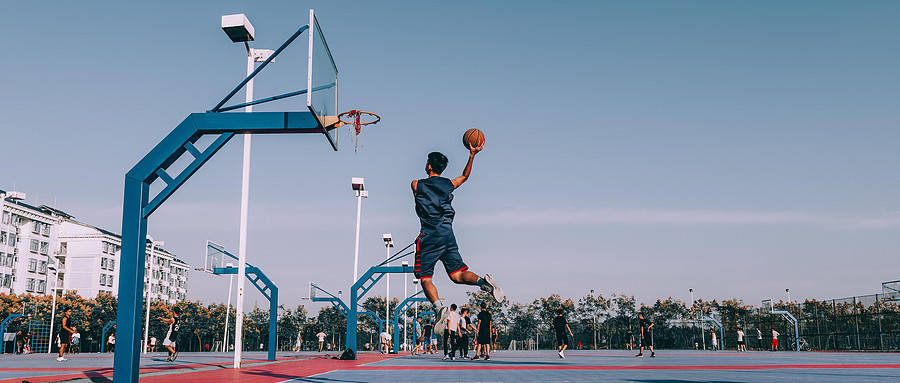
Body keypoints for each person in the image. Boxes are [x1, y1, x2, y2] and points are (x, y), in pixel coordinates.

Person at [411, 149, 505, 335]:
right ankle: (483, 283)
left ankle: (439, 308)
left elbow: (418, 200)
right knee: (457, 275)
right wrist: (472, 155)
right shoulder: (449, 184)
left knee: (424, 277)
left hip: (429, 235)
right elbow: (465, 176)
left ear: (429, 166)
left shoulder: (416, 184)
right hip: (448, 234)